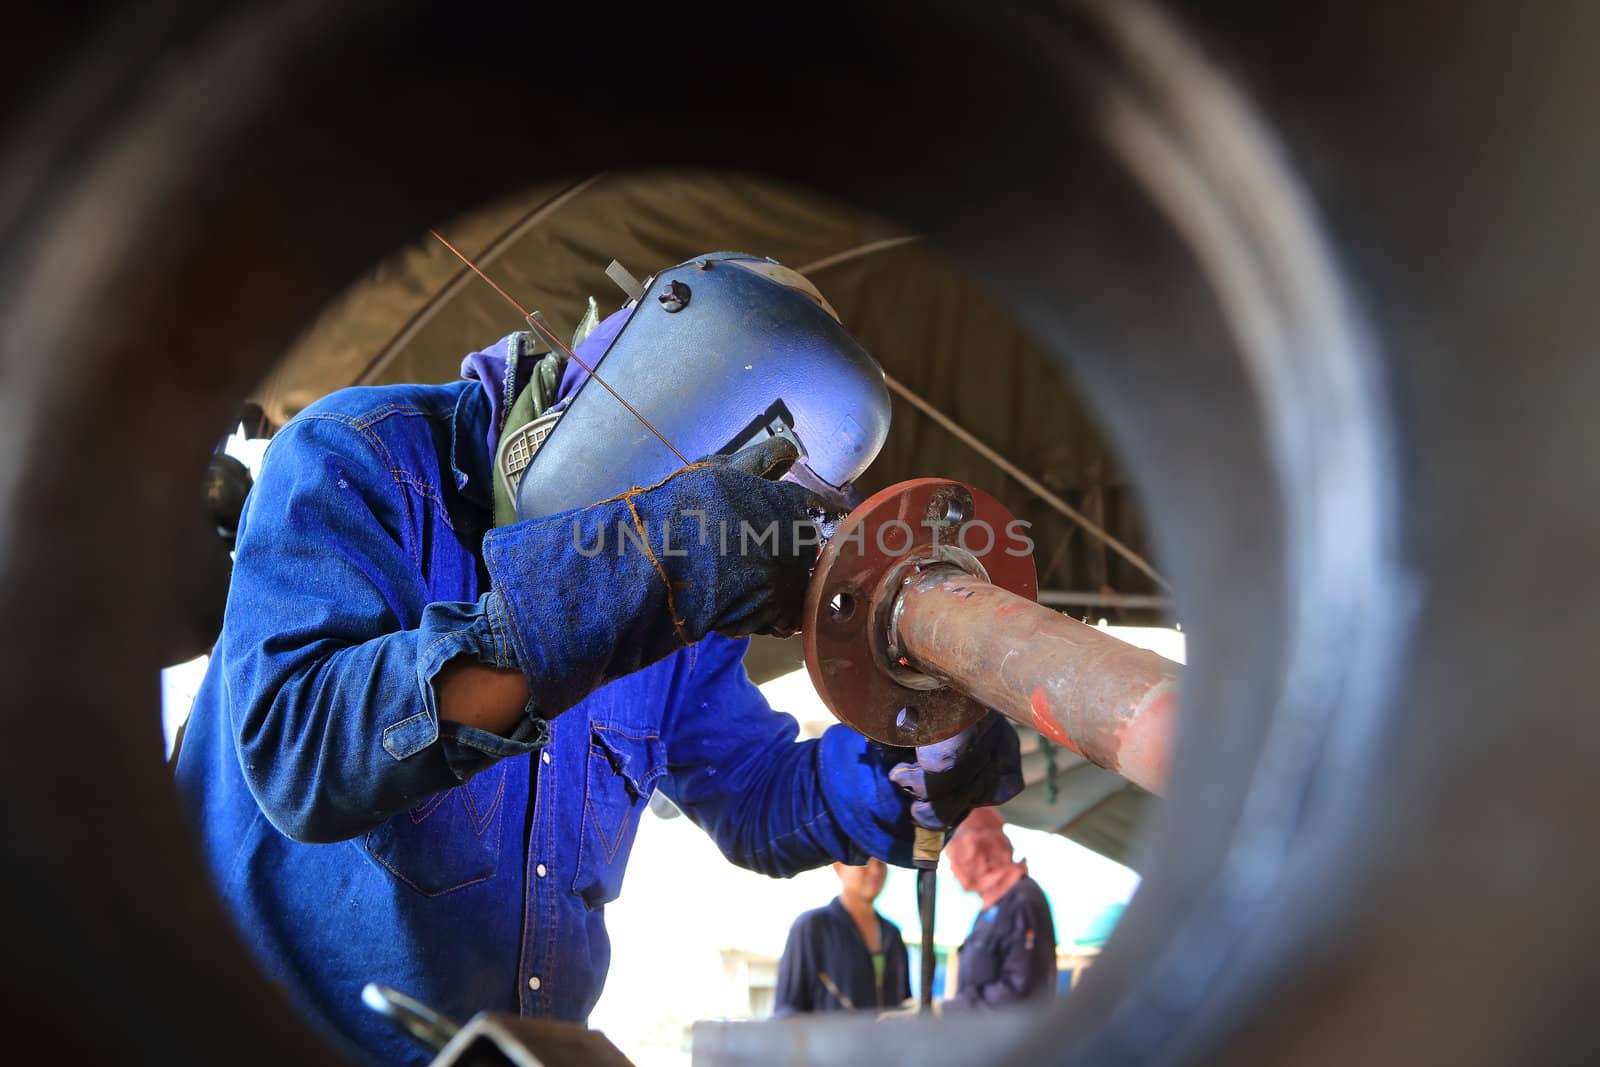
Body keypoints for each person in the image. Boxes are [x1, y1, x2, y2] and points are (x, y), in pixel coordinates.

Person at [172, 253, 1022, 1067]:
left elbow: (754, 793)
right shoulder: (358, 460)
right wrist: (638, 570)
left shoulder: (693, 581)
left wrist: (910, 760)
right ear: (647, 376)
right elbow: (302, 749)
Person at [945, 807, 1057, 1008]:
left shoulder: (1022, 900)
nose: (953, 868)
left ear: (979, 851)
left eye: (957, 856)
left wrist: (951, 1009)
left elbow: (1019, 990)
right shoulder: (993, 903)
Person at [774, 858, 910, 1015]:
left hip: (889, 1040)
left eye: (881, 863)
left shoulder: (892, 934)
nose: (875, 870)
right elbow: (786, 1011)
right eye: (864, 861)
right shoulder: (811, 928)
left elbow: (904, 1005)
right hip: (827, 1039)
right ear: (838, 866)